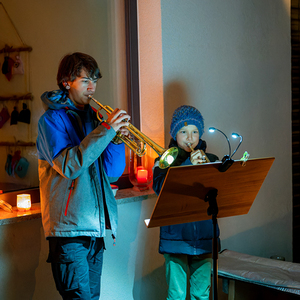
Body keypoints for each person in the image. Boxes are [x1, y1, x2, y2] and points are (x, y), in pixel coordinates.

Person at [36, 52, 130, 300]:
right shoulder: (50, 121)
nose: (92, 88)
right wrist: (106, 130)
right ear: (67, 82)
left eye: (95, 80)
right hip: (69, 232)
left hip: (95, 228)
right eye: (85, 80)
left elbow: (111, 172)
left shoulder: (96, 119)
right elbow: (69, 166)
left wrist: (116, 139)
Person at [153, 105, 220, 300]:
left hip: (206, 238)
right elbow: (160, 188)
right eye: (183, 132)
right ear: (174, 134)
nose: (190, 138)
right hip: (175, 240)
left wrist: (208, 166)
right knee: (177, 295)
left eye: (195, 132)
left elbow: (219, 191)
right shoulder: (163, 161)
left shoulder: (211, 159)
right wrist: (189, 165)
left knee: (201, 293)